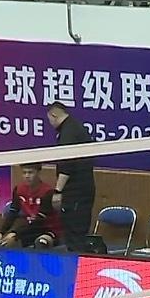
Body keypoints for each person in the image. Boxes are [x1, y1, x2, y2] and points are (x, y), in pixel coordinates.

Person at [46, 102, 100, 253]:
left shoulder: (68, 133)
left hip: (76, 194)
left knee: (74, 236)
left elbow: (66, 166)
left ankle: (77, 266)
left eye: (49, 120)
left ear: (54, 115)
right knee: (76, 235)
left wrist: (58, 191)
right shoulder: (75, 127)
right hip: (83, 191)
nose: (50, 124)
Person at [0, 162, 62, 249]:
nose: (27, 176)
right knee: (5, 243)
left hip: (47, 229)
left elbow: (40, 219)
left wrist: (15, 233)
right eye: (24, 173)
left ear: (38, 173)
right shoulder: (18, 189)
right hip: (28, 229)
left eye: (30, 172)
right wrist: (1, 232)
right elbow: (13, 211)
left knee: (41, 242)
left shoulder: (48, 192)